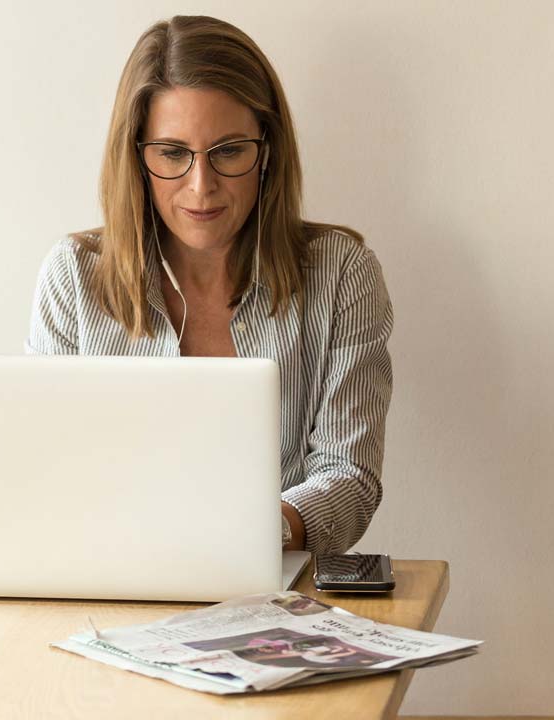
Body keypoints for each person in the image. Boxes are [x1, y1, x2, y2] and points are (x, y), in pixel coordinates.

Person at [25, 15, 393, 556]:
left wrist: (251, 534)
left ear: (266, 150)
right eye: (173, 154)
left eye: (228, 151)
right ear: (137, 157)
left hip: (275, 592)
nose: (202, 187)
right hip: (106, 582)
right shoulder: (73, 277)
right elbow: (44, 473)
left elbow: (350, 478)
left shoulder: (341, 274)